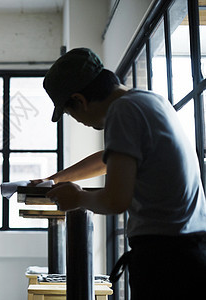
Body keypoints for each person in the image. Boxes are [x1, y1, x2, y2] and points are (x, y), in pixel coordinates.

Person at [32, 48, 206, 299]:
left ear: (80, 100)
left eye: (71, 114)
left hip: (167, 260)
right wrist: (57, 178)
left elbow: (116, 201)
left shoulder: (122, 112)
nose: (79, 122)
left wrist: (78, 198)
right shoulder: (149, 100)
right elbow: (109, 160)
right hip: (191, 250)